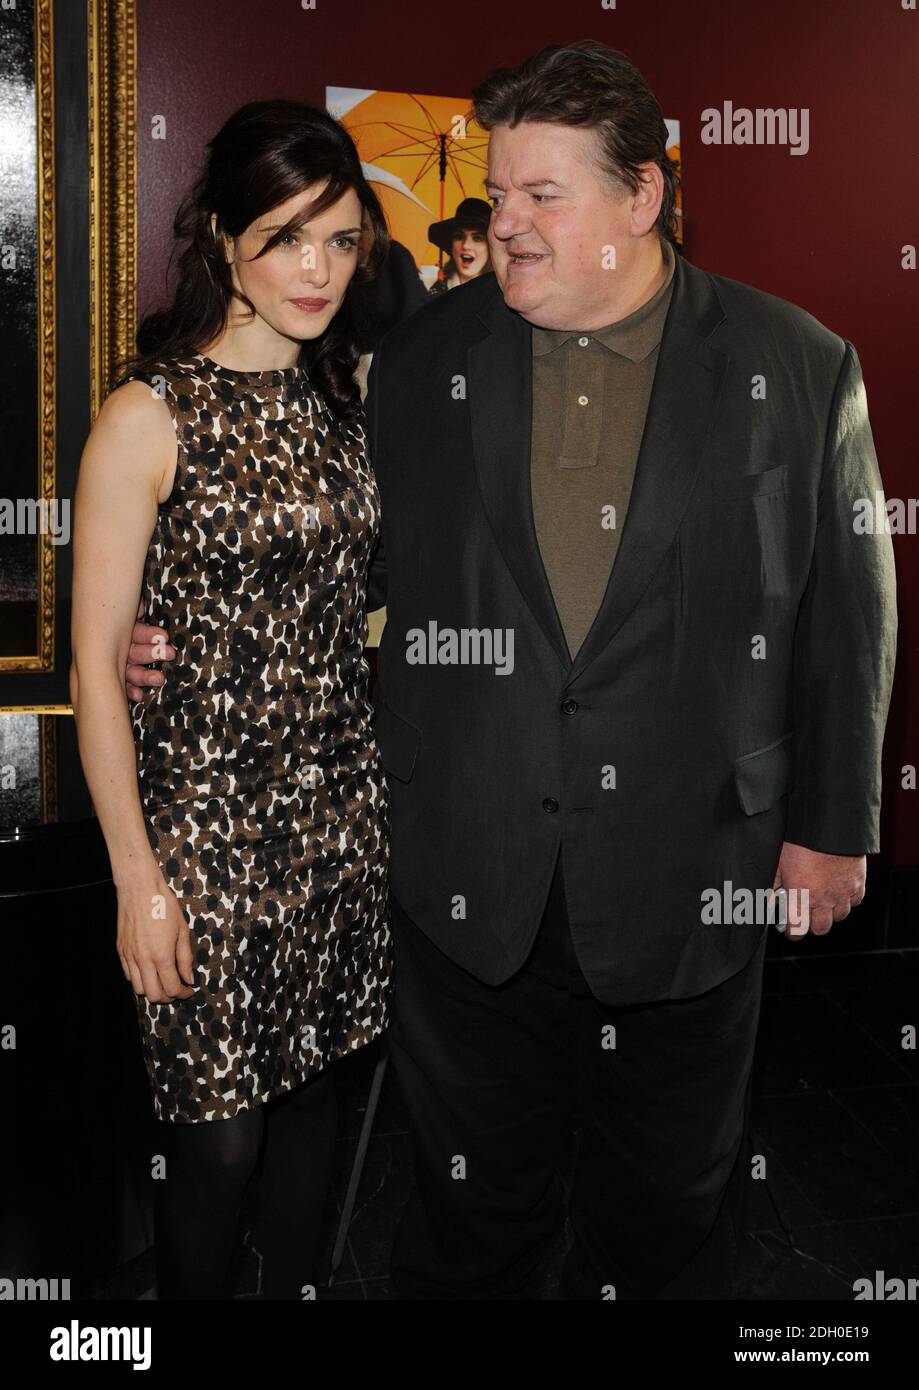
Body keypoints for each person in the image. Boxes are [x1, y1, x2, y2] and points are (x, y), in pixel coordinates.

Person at [126, 42, 898, 1301]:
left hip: (692, 874)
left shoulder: (797, 365)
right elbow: (344, 570)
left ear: (642, 196)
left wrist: (830, 829)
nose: (506, 222)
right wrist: (166, 631)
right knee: (470, 1222)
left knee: (667, 1218)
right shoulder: (423, 359)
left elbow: (850, 616)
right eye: (498, 193)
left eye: (544, 194)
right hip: (464, 874)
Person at [71, 100, 392, 1300]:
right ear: (223, 239)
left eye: (341, 240)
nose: (318, 270)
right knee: (217, 1148)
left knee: (310, 1114)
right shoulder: (145, 414)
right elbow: (93, 670)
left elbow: (354, 601)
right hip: (200, 834)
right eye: (285, 237)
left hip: (337, 823)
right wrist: (136, 879)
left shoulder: (345, 398)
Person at [426, 197, 494, 296]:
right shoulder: (437, 294)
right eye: (459, 236)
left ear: (491, 247)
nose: (465, 246)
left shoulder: (502, 295)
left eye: (477, 238)